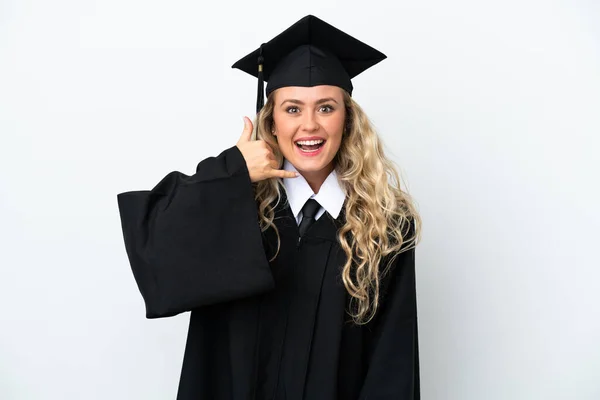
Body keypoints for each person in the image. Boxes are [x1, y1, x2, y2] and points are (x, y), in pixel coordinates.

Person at [117, 14, 422, 400]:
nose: (309, 125)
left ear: (347, 121)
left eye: (326, 108)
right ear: (272, 122)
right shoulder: (235, 208)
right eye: (292, 109)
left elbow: (392, 366)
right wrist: (233, 172)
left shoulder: (386, 225)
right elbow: (153, 248)